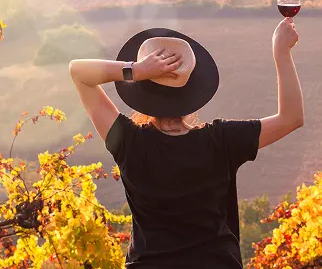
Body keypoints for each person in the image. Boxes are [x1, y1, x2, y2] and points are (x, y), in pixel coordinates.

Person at [68, 17, 304, 268]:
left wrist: (136, 70)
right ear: (193, 87)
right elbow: (291, 118)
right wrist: (281, 52)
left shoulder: (128, 141)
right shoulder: (221, 140)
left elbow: (78, 72)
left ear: (142, 91)